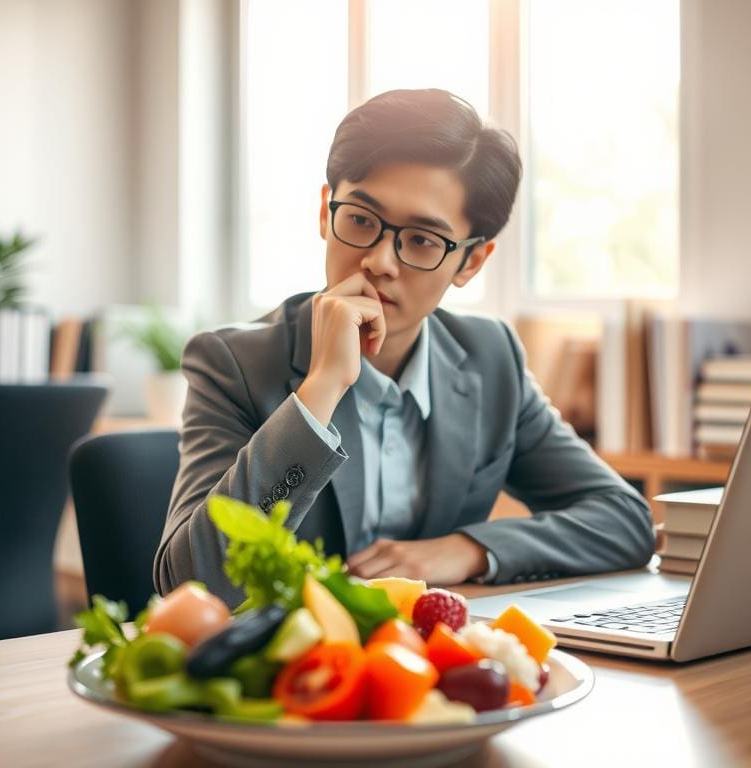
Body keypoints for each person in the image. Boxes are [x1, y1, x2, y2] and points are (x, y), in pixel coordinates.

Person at [154, 89, 654, 608]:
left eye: (421, 240)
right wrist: (321, 389)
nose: (379, 261)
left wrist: (466, 550)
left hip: (427, 654)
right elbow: (193, 585)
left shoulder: (490, 358)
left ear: (471, 262)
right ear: (325, 212)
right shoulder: (231, 364)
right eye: (360, 220)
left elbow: (623, 519)